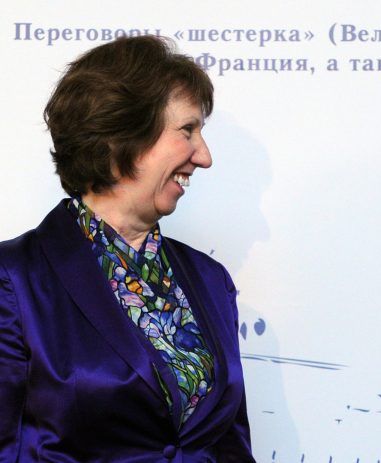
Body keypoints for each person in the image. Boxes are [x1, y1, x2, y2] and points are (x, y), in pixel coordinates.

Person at [0, 36, 256, 462]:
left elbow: (230, 444)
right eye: (187, 130)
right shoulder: (13, 280)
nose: (205, 157)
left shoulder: (211, 282)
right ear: (124, 136)